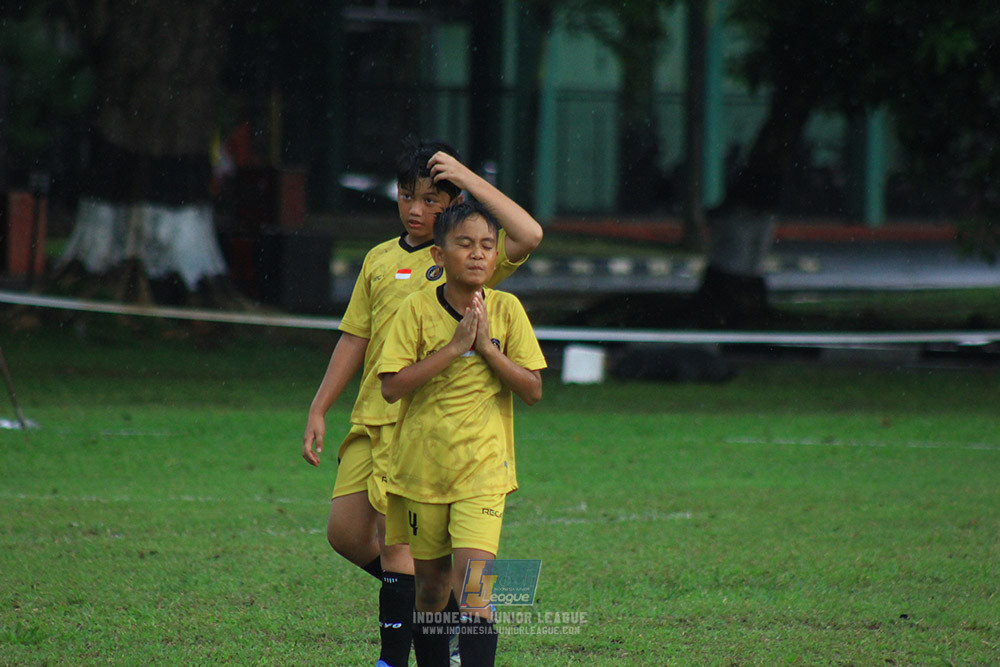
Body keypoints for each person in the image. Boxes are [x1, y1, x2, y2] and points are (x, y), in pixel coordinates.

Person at [301, 137, 542, 667]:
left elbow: (526, 232)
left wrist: (467, 176)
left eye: (432, 199)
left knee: (400, 552)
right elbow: (354, 338)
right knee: (345, 534)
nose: (417, 209)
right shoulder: (379, 260)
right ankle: (447, 609)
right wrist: (320, 406)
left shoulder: (464, 254)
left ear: (453, 205)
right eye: (407, 196)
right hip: (373, 416)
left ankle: (401, 653)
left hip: (427, 429)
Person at [379, 201, 546, 666]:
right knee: (431, 590)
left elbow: (532, 389)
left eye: (487, 245)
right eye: (465, 243)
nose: (478, 254)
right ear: (439, 256)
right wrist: (454, 349)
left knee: (475, 591)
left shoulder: (508, 310)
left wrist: (488, 350)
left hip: (483, 473)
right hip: (422, 473)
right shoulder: (414, 310)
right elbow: (391, 387)